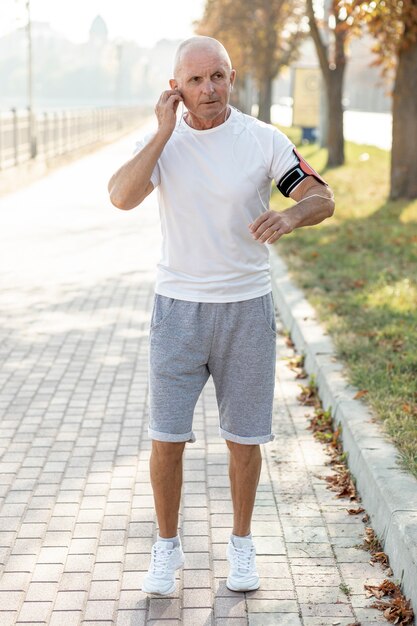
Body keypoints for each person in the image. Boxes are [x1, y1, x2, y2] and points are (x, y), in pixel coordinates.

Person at [108, 35, 334, 596]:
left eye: (218, 77)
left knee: (243, 438)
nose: (208, 90)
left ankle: (241, 546)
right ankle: (166, 550)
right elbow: (120, 196)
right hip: (178, 309)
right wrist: (163, 133)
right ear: (175, 89)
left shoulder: (261, 140)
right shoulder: (162, 143)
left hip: (245, 309)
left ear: (231, 78)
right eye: (195, 80)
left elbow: (321, 196)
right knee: (166, 438)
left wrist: (292, 215)